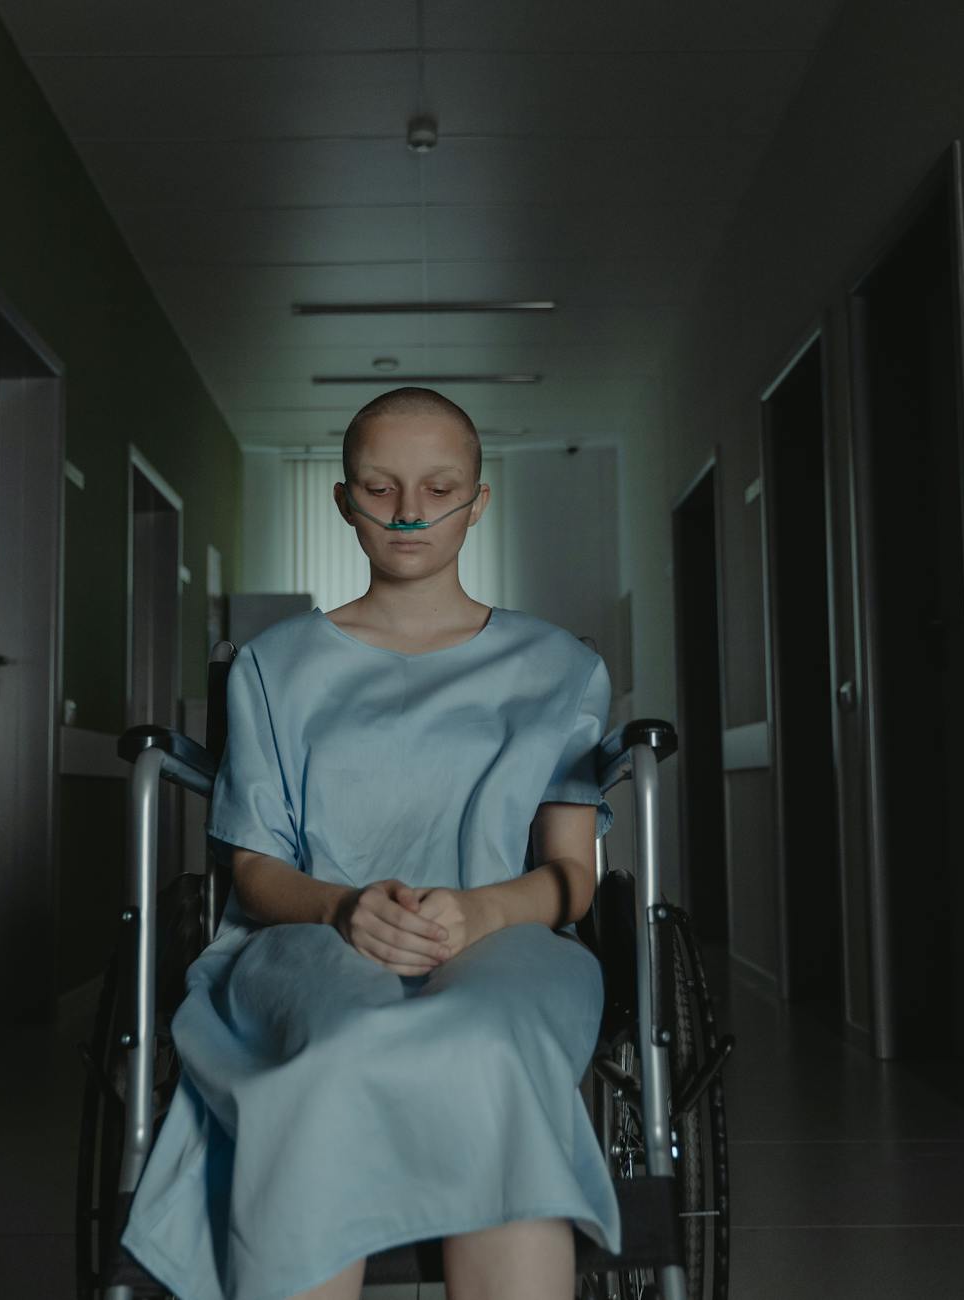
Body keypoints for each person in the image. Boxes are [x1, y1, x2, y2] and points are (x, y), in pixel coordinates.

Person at [119, 386, 621, 1300]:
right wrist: (343, 909)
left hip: (504, 937)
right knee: (340, 1043)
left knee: (490, 1041)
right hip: (303, 936)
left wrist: (480, 911)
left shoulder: (560, 668)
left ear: (478, 499)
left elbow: (572, 878)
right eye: (380, 487)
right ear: (345, 501)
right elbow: (253, 866)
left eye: (439, 486)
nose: (410, 510)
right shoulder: (275, 667)